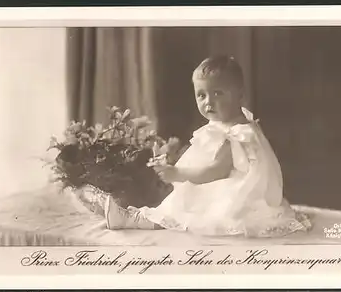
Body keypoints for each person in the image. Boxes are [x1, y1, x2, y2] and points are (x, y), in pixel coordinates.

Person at [104, 55, 311, 238]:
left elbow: (216, 170)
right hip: (219, 182)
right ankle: (137, 215)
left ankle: (136, 219)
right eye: (201, 95)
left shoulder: (236, 133)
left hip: (234, 194)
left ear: (240, 95)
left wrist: (179, 173)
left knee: (185, 206)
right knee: (183, 199)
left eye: (218, 93)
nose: (208, 102)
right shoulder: (226, 124)